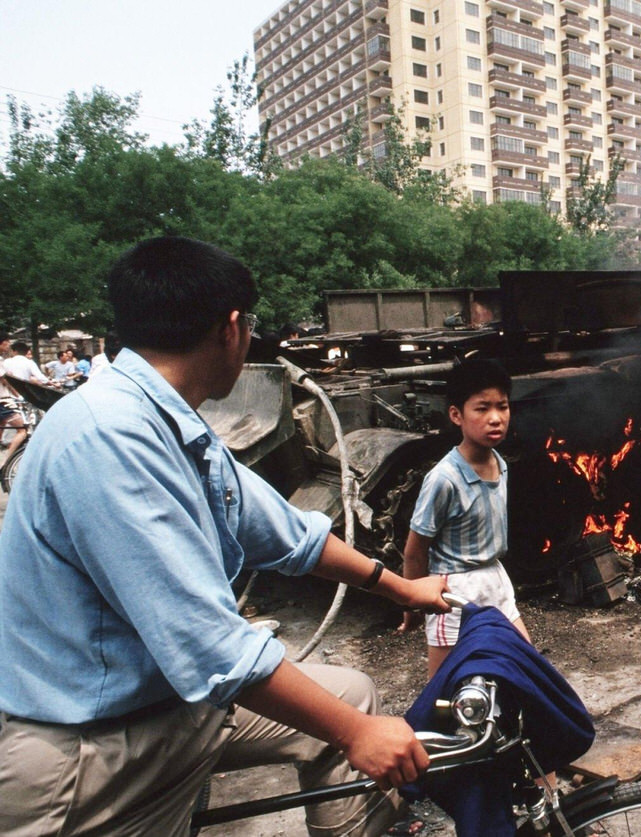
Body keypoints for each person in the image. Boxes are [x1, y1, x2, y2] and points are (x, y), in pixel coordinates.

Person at [0, 237, 451, 837]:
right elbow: (210, 646)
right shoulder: (108, 436)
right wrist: (355, 733)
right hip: (90, 752)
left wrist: (401, 589)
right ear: (232, 328)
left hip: (164, 705)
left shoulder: (172, 422)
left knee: (354, 690)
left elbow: (288, 535)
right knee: (350, 723)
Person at [400, 357, 533, 679]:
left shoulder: (499, 463)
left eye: (502, 406)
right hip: (454, 589)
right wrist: (412, 604)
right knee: (443, 687)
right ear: (456, 415)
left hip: (494, 580)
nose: (495, 418)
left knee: (527, 665)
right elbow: (415, 551)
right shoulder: (444, 479)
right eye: (482, 408)